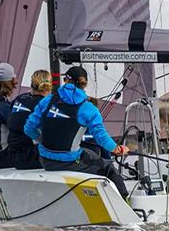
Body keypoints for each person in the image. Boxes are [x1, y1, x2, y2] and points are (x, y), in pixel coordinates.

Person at [24, 66, 130, 199]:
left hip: (45, 160)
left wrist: (42, 141)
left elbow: (28, 129)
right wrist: (118, 149)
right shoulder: (88, 108)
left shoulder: (48, 100)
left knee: (90, 154)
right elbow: (101, 137)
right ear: (84, 84)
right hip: (69, 162)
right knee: (107, 166)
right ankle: (126, 205)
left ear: (65, 81)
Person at [6, 70, 52, 169]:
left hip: (12, 155)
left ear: (32, 84)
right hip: (31, 157)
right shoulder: (46, 105)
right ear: (49, 86)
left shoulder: (18, 99)